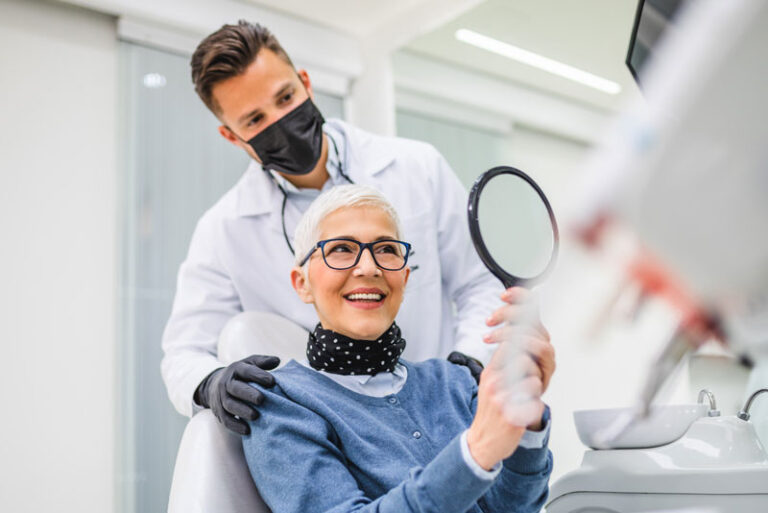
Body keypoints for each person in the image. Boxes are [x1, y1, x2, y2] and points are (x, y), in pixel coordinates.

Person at [162, 20, 548, 436]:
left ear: (306, 83)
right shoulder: (225, 230)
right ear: (231, 136)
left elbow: (479, 285)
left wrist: (467, 363)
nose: (281, 121)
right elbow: (184, 351)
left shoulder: (417, 168)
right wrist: (210, 382)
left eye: (286, 97)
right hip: (339, 437)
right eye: (255, 119)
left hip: (447, 413)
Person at [242, 184, 553, 513]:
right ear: (302, 283)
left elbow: (511, 508)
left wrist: (527, 424)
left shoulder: (455, 383)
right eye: (342, 249)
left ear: (404, 278)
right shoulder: (280, 405)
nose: (369, 267)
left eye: (387, 249)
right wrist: (474, 453)